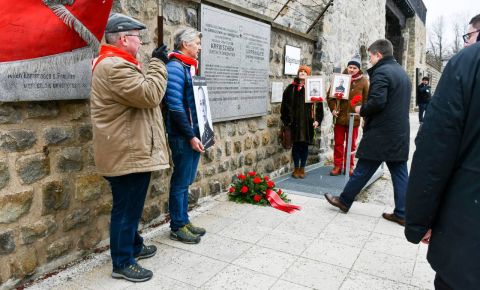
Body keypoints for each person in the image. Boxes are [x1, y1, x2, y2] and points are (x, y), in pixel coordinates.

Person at [90, 13, 169, 282]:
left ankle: (133, 245)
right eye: (138, 37)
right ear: (124, 39)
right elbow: (150, 94)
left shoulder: (118, 63)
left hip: (127, 150)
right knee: (126, 208)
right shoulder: (114, 66)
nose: (141, 42)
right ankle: (122, 261)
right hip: (126, 152)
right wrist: (158, 64)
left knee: (131, 205)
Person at [405, 21, 480, 290]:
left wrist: (419, 221)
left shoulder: (468, 62)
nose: (466, 42)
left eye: (469, 35)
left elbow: (435, 150)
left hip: (469, 241)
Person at [324, 39, 411, 226]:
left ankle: (344, 201)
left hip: (382, 132)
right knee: (399, 172)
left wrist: (359, 110)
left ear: (378, 55)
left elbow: (378, 102)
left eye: (370, 55)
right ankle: (402, 213)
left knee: (364, 168)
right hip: (398, 132)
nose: (369, 60)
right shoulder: (401, 72)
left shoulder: (382, 72)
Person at [164, 27, 206, 244]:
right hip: (182, 136)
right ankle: (177, 225)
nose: (199, 47)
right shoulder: (175, 67)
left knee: (186, 180)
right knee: (180, 181)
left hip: (192, 134)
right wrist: (191, 136)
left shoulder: (187, 67)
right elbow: (175, 106)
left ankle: (184, 219)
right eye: (197, 43)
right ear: (185, 44)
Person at [327, 55, 369, 176]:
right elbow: (330, 97)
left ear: (358, 69)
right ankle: (337, 165)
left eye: (354, 68)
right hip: (340, 118)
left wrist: (364, 117)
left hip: (354, 118)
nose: (351, 69)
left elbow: (366, 100)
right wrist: (333, 109)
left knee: (351, 144)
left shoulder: (364, 81)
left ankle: (349, 165)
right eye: (350, 67)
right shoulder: (339, 79)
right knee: (339, 143)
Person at [281, 65, 324, 179]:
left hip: (307, 123)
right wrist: (286, 120)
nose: (302, 73)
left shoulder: (313, 88)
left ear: (308, 75)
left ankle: (302, 168)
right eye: (301, 71)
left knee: (304, 146)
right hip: (294, 122)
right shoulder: (291, 88)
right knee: (296, 146)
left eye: (305, 72)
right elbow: (284, 105)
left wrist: (317, 120)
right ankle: (296, 168)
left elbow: (319, 107)